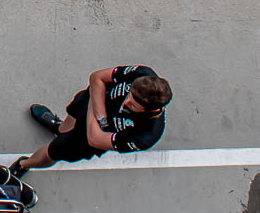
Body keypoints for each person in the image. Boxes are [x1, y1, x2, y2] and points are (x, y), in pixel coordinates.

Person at [9, 64, 171, 177]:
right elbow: (97, 77)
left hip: (85, 139)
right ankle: (58, 128)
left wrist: (95, 102)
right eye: (129, 95)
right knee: (68, 122)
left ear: (150, 109)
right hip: (93, 106)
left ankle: (23, 165)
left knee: (52, 151)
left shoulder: (147, 135)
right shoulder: (143, 73)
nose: (126, 102)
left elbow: (95, 139)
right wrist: (100, 116)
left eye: (133, 104)